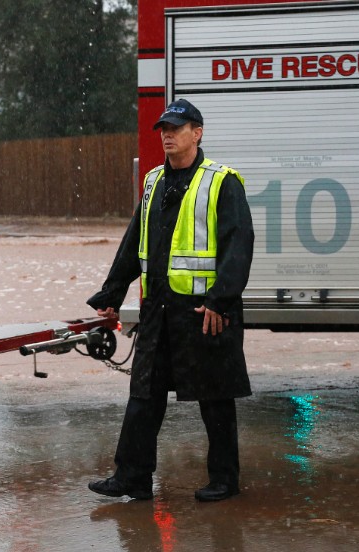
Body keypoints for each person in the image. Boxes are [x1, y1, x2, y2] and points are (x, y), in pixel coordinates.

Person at [86, 98, 254, 502]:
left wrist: (221, 301)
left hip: (204, 312)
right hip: (158, 308)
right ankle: (133, 477)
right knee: (144, 395)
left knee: (215, 398)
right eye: (163, 129)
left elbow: (239, 246)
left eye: (176, 128)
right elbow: (134, 242)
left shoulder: (222, 181)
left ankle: (225, 481)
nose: (167, 135)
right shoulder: (154, 180)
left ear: (197, 133)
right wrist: (112, 292)